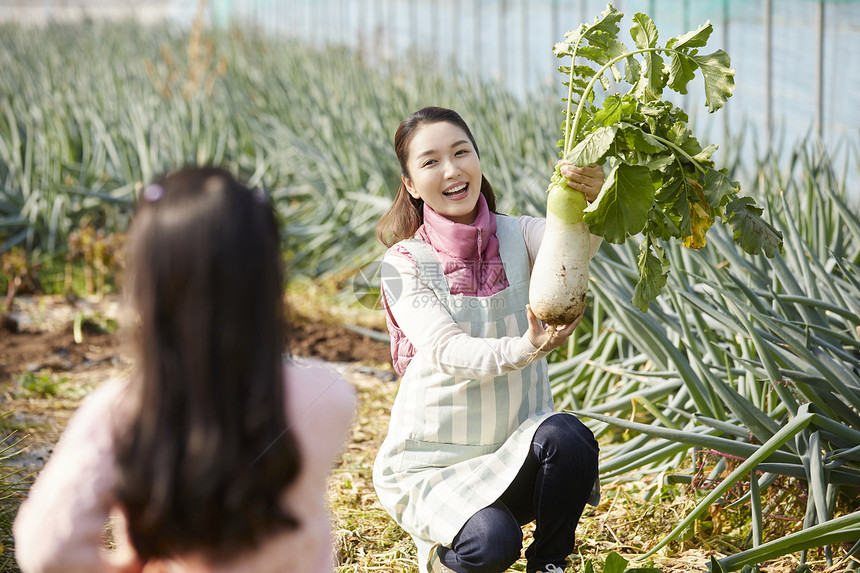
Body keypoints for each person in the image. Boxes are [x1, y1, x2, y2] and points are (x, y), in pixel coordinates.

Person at [13, 166, 355, 573]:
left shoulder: (117, 413)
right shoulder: (329, 394)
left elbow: (45, 550)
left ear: (149, 286)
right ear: (267, 277)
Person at [372, 107, 605, 573]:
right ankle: (443, 562)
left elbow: (576, 242)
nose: (453, 170)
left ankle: (551, 564)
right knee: (493, 542)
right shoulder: (402, 264)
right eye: (431, 161)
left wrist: (596, 198)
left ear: (479, 160)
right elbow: (446, 350)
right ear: (411, 185)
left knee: (571, 437)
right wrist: (528, 346)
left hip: (513, 450)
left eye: (462, 153)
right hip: (435, 468)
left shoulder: (519, 233)